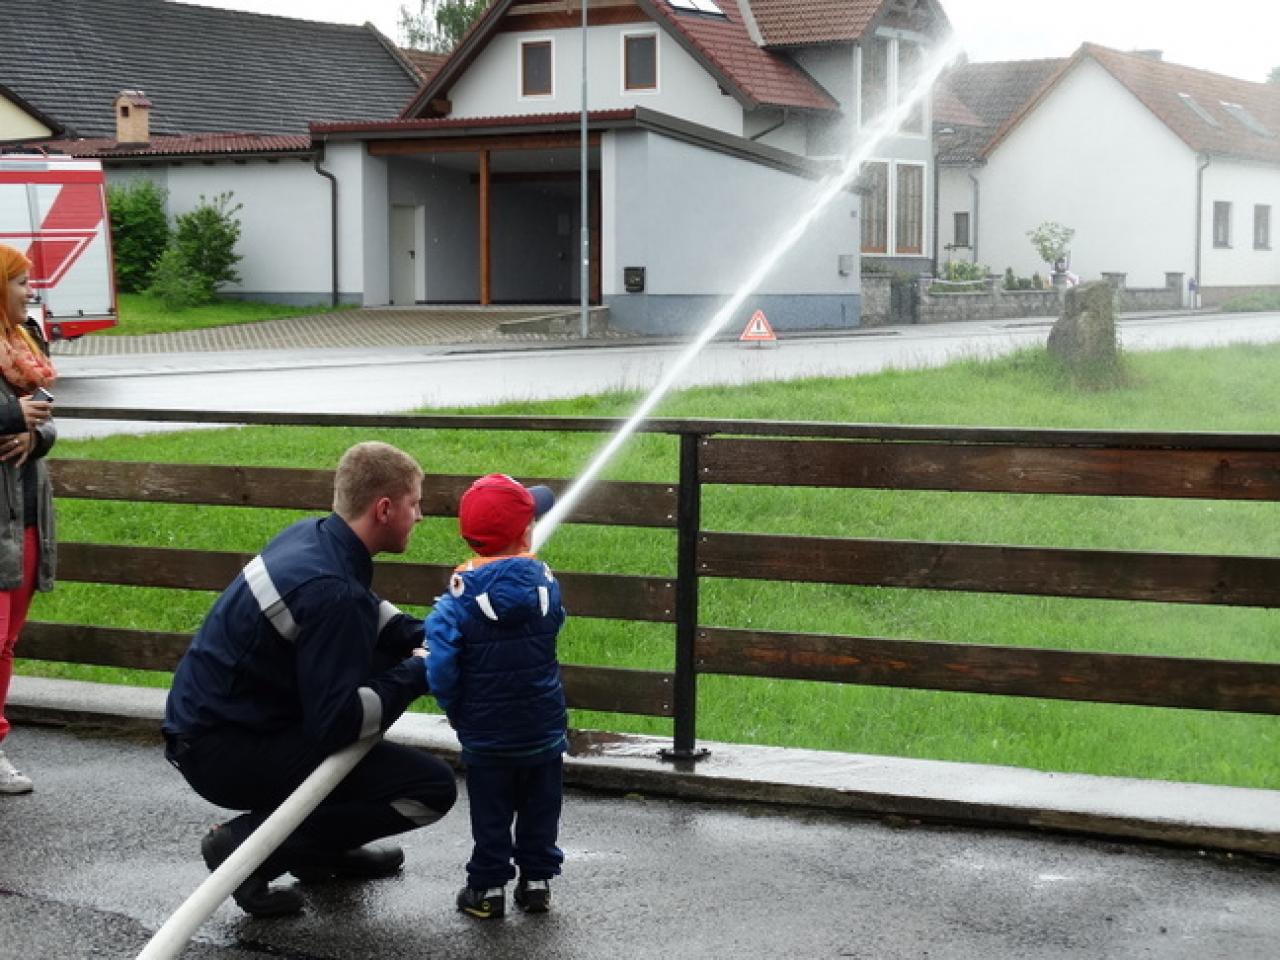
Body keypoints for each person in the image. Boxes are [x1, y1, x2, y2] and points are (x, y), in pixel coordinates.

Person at [163, 441, 457, 917]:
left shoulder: (314, 538)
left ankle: (324, 851)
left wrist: (430, 633)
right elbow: (340, 722)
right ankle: (248, 849)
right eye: (414, 504)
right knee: (429, 789)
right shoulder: (332, 592)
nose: (420, 516)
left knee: (373, 674)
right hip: (226, 751)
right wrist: (422, 670)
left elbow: (370, 617)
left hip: (215, 725)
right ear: (384, 509)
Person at [426, 473, 567, 920]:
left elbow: (442, 668)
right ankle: (537, 883)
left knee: (491, 814)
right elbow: (553, 628)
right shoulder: (547, 588)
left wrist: (455, 707)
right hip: (544, 727)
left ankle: (486, 891)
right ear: (525, 533)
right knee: (541, 807)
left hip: (486, 736)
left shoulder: (456, 602)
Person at [0, 244, 57, 796]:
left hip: (27, 517)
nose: (28, 292)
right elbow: (16, 409)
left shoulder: (24, 346)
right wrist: (10, 414)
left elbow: (50, 419)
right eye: (19, 283)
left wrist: (34, 433)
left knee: (7, 639)